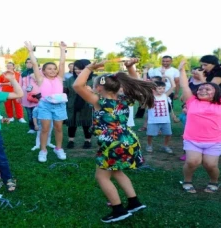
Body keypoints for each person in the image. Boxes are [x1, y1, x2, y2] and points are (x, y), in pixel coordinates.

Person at [73, 59, 154, 223]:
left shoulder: (99, 101)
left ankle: (118, 210)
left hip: (111, 143)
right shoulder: (125, 99)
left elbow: (77, 86)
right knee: (117, 171)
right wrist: (131, 68)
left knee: (102, 177)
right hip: (128, 139)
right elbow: (137, 84)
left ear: (98, 88)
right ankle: (134, 202)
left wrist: (89, 68)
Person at [179, 60, 221, 193]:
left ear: (216, 92)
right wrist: (181, 70)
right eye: (200, 89)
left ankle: (214, 181)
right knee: (192, 162)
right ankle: (187, 180)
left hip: (215, 141)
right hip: (192, 139)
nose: (202, 90)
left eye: (207, 89)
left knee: (210, 165)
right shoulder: (192, 101)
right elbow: (185, 86)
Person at [25, 41, 68, 163]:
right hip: (45, 106)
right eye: (49, 68)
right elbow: (34, 63)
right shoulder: (40, 79)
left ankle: (58, 148)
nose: (53, 70)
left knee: (59, 128)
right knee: (45, 128)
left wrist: (62, 49)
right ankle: (43, 150)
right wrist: (30, 51)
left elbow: (62, 63)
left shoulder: (59, 78)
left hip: (59, 105)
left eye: (54, 68)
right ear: (43, 71)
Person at [64, 59, 94, 149]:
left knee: (87, 123)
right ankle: (71, 140)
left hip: (87, 105)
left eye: (81, 69)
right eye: (76, 69)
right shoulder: (70, 80)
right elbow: (65, 92)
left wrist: (91, 91)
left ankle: (88, 141)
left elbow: (99, 94)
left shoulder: (93, 80)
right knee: (72, 123)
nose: (77, 71)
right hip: (72, 104)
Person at [145, 75, 176, 153]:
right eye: (159, 88)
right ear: (153, 89)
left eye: (163, 88)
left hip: (165, 120)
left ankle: (165, 146)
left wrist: (169, 77)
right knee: (150, 134)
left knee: (168, 134)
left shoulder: (165, 95)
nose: (162, 90)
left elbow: (173, 86)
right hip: (153, 121)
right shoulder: (150, 97)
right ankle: (149, 145)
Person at [19, 58, 40, 133]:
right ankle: (31, 128)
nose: (29, 64)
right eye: (27, 62)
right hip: (25, 96)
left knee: (37, 112)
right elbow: (19, 85)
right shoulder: (23, 73)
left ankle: (38, 127)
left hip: (36, 95)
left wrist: (32, 74)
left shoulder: (40, 72)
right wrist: (19, 96)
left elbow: (40, 82)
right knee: (29, 113)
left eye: (31, 62)